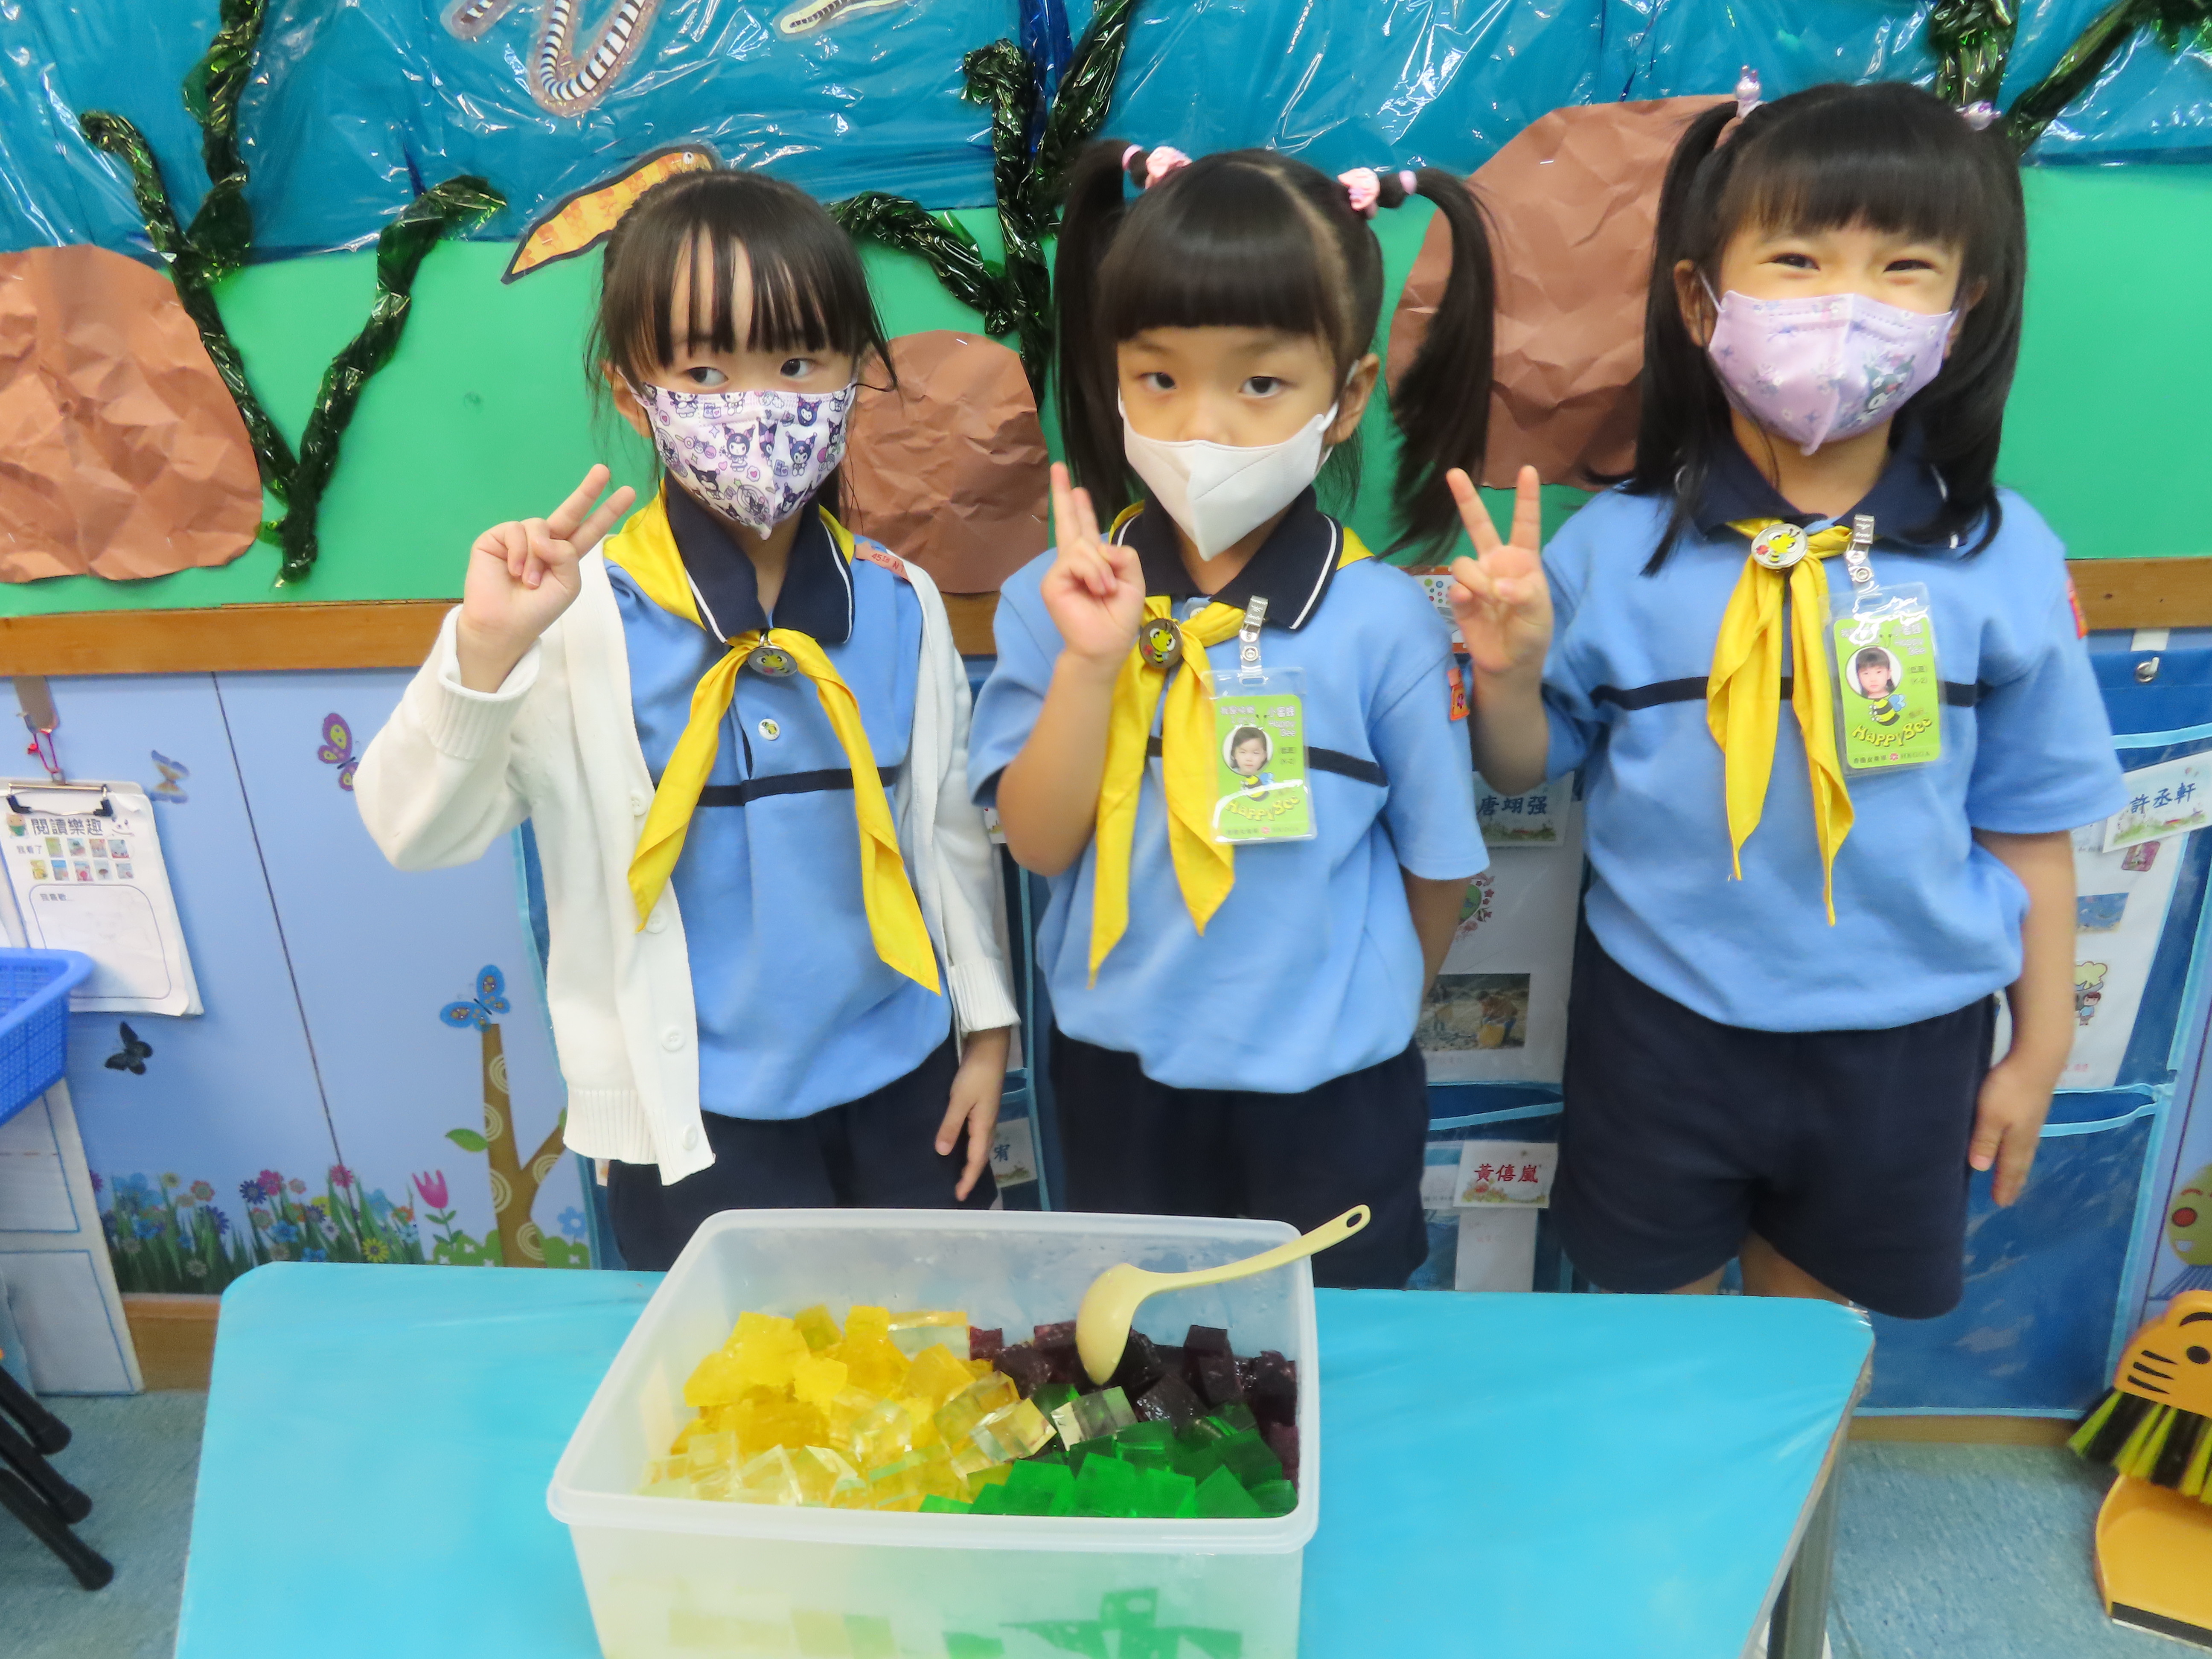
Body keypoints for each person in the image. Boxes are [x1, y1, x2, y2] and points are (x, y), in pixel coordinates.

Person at [1449, 79, 2123, 1320]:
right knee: (1651, 1340)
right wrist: (1506, 673)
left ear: (1964, 310)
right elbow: (1522, 766)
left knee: (1808, 1348)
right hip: (1661, 1028)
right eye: (1798, 259)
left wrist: (2040, 1048)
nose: (1843, 306)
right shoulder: (1612, 549)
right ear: (1700, 298)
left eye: (1904, 267)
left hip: (1907, 1043)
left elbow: (2028, 829)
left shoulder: (2004, 556)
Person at [356, 170, 1017, 1270]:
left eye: (797, 364)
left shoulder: (900, 604)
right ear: (635, 396)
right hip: (697, 1124)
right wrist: (485, 653)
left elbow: (948, 842)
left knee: (937, 1349)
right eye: (705, 372)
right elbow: (411, 831)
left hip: (908, 1089)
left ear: (854, 377)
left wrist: (986, 1035)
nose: (756, 403)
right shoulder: (574, 625)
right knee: (742, 1372)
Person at [970, 143, 1496, 1289]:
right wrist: (1092, 666)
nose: (1202, 427)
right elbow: (1040, 845)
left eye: (1259, 386)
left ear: (1346, 397)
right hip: (1117, 1079)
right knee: (1142, 1354)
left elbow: (1437, 868)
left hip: (1333, 1092)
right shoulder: (1050, 603)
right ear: (1113, 374)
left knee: (1334, 1347)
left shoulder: (1383, 624)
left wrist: (1371, 1011)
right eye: (1159, 378)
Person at [1853, 646, 1905, 724]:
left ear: (1889, 674)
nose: (1873, 679)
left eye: (1879, 672)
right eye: (1866, 673)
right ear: (1858, 676)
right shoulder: (1856, 704)